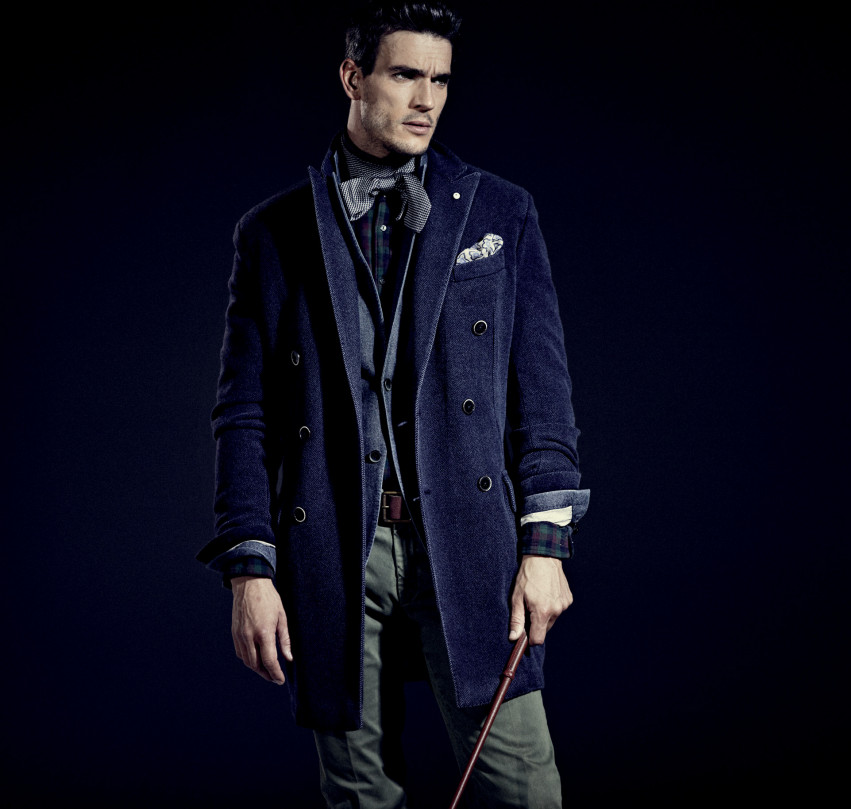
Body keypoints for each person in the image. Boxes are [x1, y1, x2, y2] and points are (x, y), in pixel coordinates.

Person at [196, 2, 589, 806]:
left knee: (526, 789)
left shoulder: (501, 212)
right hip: (337, 542)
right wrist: (248, 570)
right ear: (353, 77)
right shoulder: (272, 233)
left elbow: (543, 394)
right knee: (359, 794)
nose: (427, 100)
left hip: (470, 535)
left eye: (440, 80)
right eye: (406, 74)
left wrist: (546, 546)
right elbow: (244, 415)